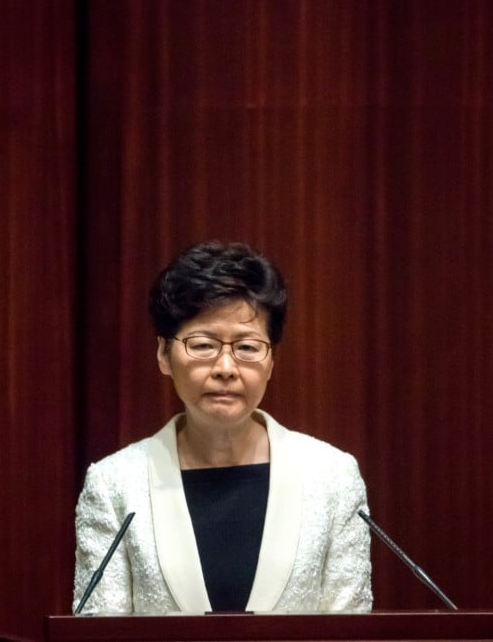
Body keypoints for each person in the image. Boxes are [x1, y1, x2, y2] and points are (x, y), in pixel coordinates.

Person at [72, 241, 372, 614]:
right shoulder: (114, 484)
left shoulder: (332, 478)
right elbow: (97, 635)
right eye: (203, 345)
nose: (226, 367)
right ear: (164, 354)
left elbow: (351, 633)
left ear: (271, 361)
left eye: (247, 347)